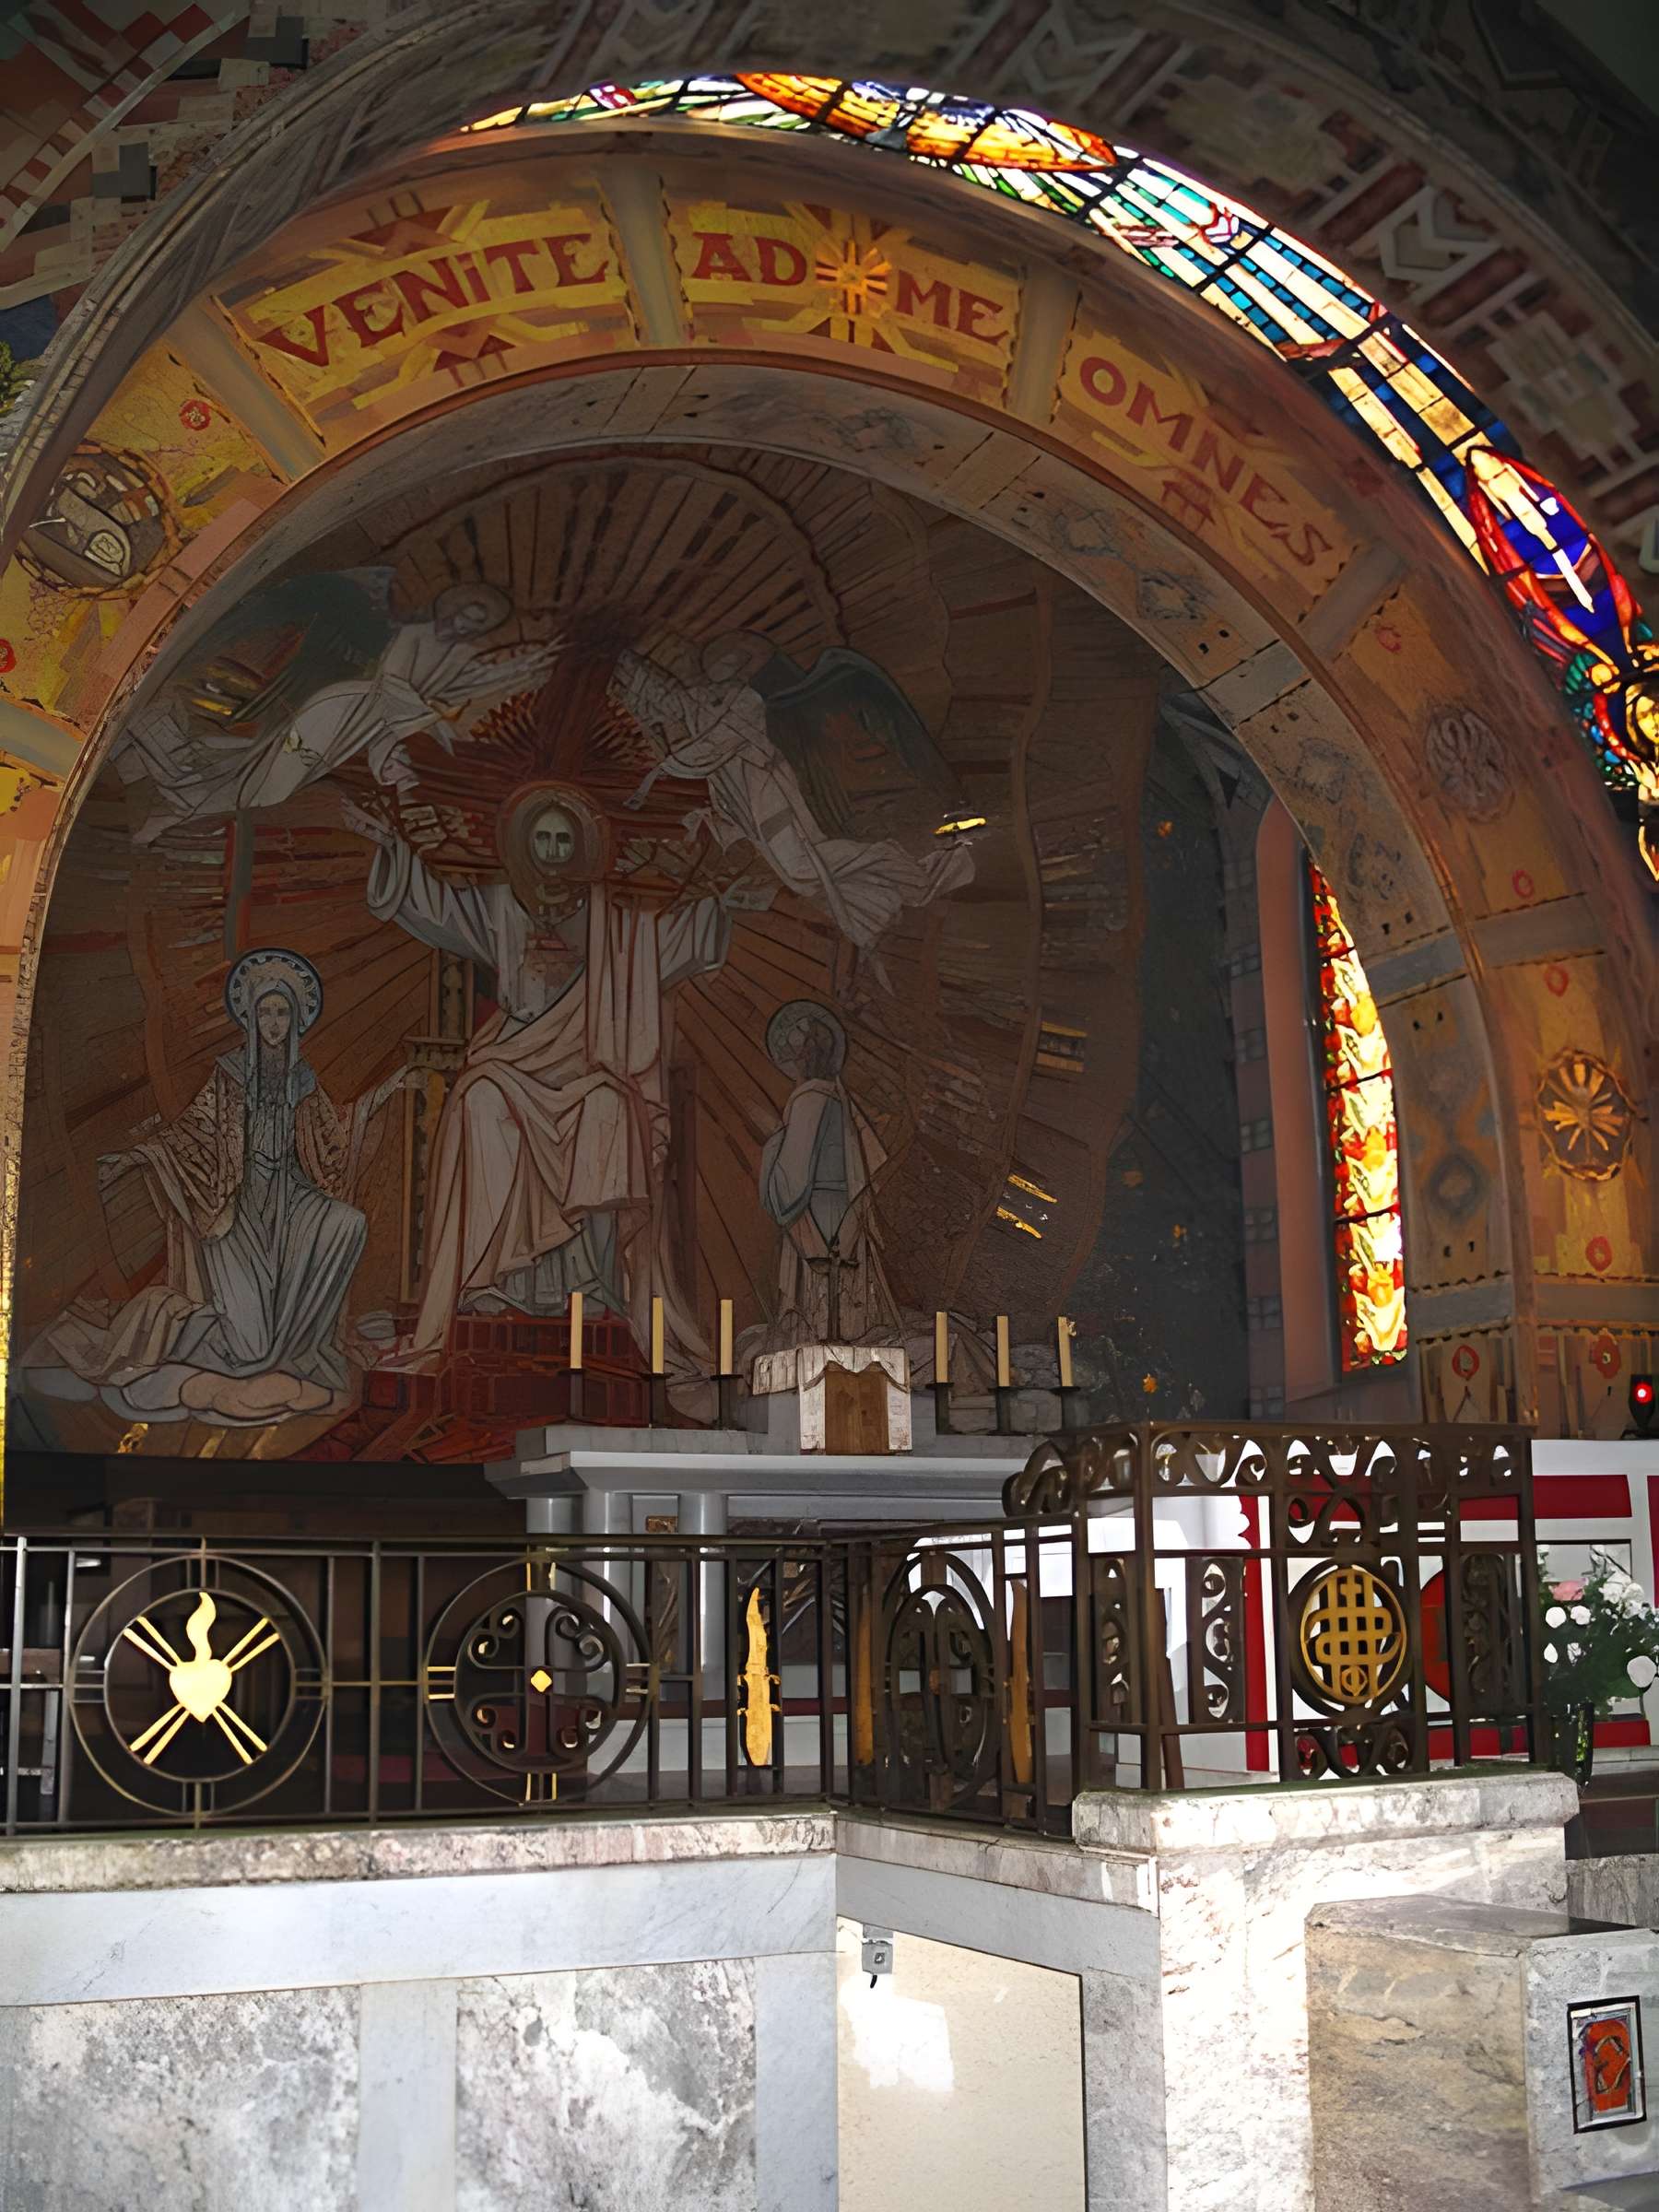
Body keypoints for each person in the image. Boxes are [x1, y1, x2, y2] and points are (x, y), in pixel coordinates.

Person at [343, 794, 736, 1364]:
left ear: (581, 847)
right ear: (525, 846)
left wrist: (717, 902)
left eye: (563, 841)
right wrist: (391, 850)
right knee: (478, 1101)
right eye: (543, 841)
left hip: (587, 1068)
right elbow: (438, 910)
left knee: (609, 1109)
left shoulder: (615, 924)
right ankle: (491, 1282)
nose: (553, 854)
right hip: (512, 1062)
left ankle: (593, 1287)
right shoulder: (501, 907)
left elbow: (668, 945)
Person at [21, 948, 408, 1425]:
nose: (273, 1021)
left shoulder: (303, 1079)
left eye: (282, 1011)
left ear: (295, 1017)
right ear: (250, 1016)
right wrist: (140, 1154)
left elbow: (335, 1137)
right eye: (265, 1011)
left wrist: (382, 1096)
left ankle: (304, 1345)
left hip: (293, 1202)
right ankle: (168, 1338)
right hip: (236, 1208)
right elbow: (190, 1136)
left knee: (349, 1223)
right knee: (249, 1347)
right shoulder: (228, 1076)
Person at [611, 634, 971, 956]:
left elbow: (711, 747)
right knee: (800, 871)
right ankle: (877, 900)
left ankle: (891, 863)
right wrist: (623, 667)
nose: (713, 670)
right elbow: (668, 704)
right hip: (748, 798)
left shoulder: (746, 699)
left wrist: (656, 775)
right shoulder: (704, 700)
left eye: (722, 663)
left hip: (771, 789)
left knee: (800, 868)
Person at [758, 998, 898, 1344]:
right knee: (844, 1305)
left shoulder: (809, 1098)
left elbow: (790, 1184)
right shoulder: (837, 1097)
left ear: (800, 1057)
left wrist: (773, 1145)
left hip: (817, 1215)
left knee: (818, 1314)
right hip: (844, 1210)